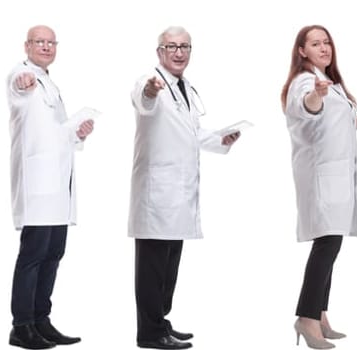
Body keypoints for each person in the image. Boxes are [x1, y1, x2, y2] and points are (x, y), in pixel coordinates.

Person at [129, 26, 242, 350]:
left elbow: (190, 133)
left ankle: (160, 322)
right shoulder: (148, 81)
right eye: (171, 47)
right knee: (152, 267)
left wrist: (221, 138)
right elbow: (143, 101)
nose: (179, 52)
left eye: (185, 47)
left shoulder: (185, 87)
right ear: (159, 52)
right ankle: (149, 333)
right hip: (157, 193)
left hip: (177, 194)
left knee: (168, 264)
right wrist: (151, 91)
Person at [283, 24, 357, 350]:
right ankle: (306, 318)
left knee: (331, 244)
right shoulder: (305, 82)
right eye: (315, 43)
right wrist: (316, 96)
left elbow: (334, 127)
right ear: (302, 51)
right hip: (321, 176)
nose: (324, 47)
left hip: (336, 174)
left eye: (327, 42)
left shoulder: (332, 84)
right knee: (326, 245)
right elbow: (306, 109)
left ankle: (320, 314)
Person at [6, 24, 93, 350]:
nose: (46, 46)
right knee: (33, 254)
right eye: (39, 41)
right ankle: (21, 326)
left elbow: (56, 132)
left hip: (58, 184)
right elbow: (18, 88)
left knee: (54, 252)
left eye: (50, 42)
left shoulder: (51, 83)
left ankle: (42, 320)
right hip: (38, 184)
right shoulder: (21, 74)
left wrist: (77, 132)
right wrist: (23, 83)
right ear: (26, 45)